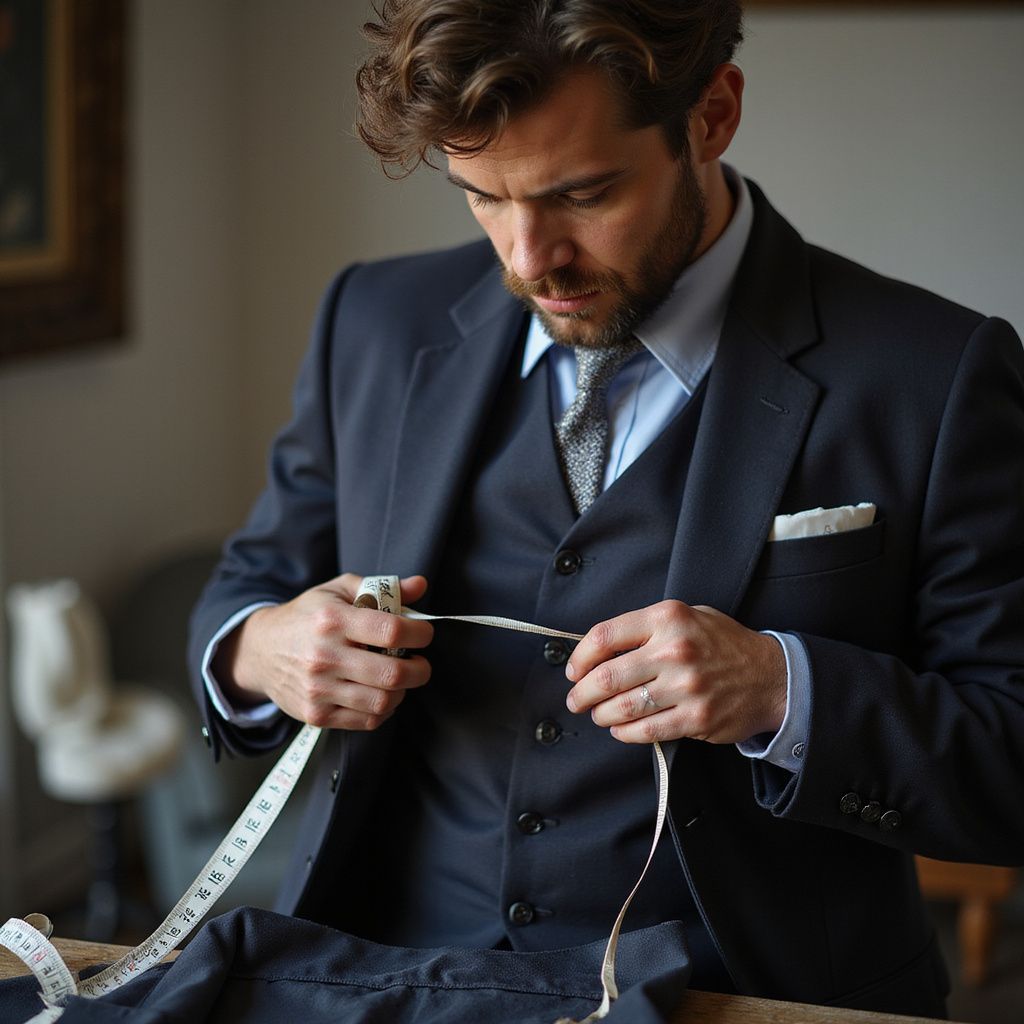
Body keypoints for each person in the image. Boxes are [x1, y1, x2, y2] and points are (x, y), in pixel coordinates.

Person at [188, 0, 1024, 1015]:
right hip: (385, 974)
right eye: (482, 197)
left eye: (582, 194)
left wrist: (780, 690)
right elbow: (246, 592)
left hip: (746, 993)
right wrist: (260, 649)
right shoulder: (370, 320)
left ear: (711, 116)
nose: (529, 257)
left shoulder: (931, 372)